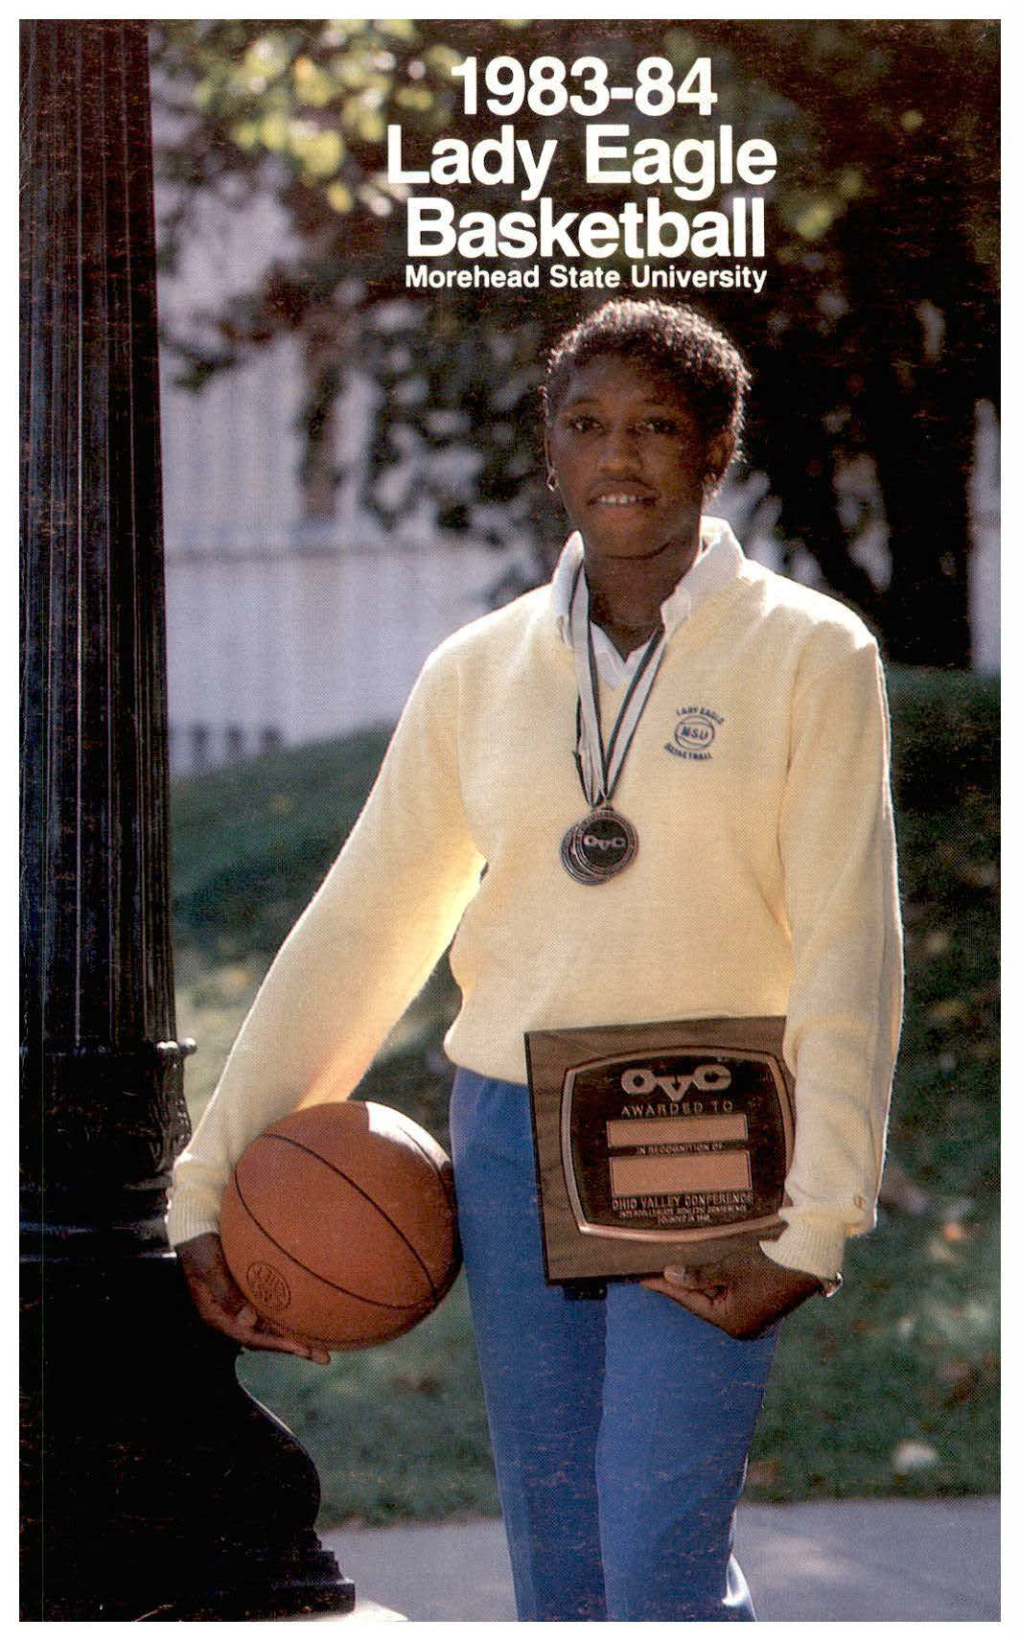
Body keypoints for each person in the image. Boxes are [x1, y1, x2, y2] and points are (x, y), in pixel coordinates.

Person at [170, 298, 902, 1622]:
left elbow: (856, 942)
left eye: (659, 426)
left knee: (659, 1561)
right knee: (560, 1576)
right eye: (587, 424)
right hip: (509, 1132)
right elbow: (364, 925)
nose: (620, 454)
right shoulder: (478, 670)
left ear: (718, 450)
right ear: (551, 452)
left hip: (706, 1123)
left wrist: (822, 1214)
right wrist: (211, 1175)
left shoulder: (811, 655)